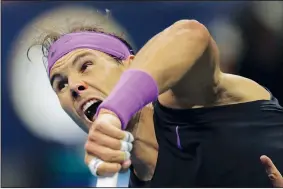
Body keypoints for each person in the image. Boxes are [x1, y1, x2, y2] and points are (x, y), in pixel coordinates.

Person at [36, 19, 283, 187]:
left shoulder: (188, 101)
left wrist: (114, 112)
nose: (75, 87)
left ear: (131, 64)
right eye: (61, 85)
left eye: (86, 65)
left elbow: (190, 34)